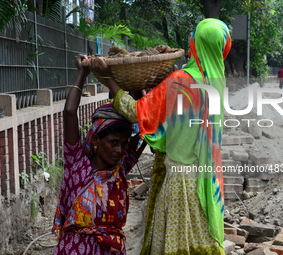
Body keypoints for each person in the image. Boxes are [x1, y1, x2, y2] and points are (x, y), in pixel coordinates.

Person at [88, 18, 231, 254]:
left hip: (180, 185)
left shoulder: (181, 81)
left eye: (192, 37)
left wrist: (106, 77)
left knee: (175, 245)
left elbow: (137, 112)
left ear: (196, 44)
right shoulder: (216, 81)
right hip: (205, 181)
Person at [52, 54, 146, 255]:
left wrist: (139, 91)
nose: (119, 150)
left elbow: (148, 127)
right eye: (113, 143)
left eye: (122, 144)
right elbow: (69, 113)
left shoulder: (121, 167)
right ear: (95, 140)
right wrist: (82, 74)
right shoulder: (77, 165)